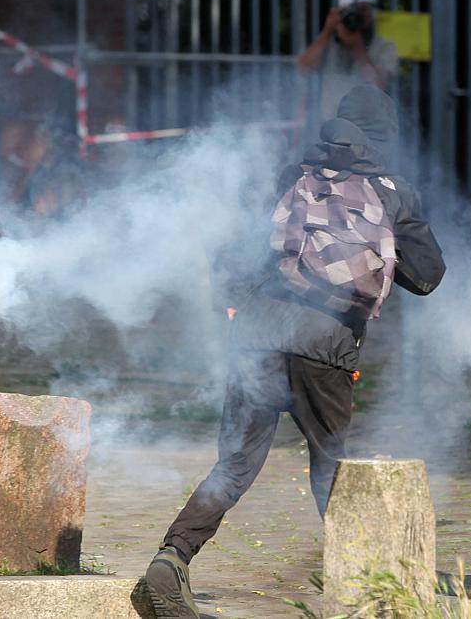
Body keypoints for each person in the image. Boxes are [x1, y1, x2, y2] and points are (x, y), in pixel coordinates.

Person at [143, 85, 445, 619]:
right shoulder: (391, 189)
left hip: (256, 336)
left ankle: (171, 559)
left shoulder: (292, 173)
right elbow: (428, 277)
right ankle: (376, 587)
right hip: (324, 347)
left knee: (233, 465)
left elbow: (240, 248)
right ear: (385, 135)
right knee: (331, 467)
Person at [297, 0, 399, 125]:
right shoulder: (328, 44)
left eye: (363, 9)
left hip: (367, 129)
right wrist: (327, 32)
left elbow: (379, 85)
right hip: (329, 126)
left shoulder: (385, 46)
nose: (358, 15)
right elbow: (304, 68)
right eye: (351, 10)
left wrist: (357, 46)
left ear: (373, 12)